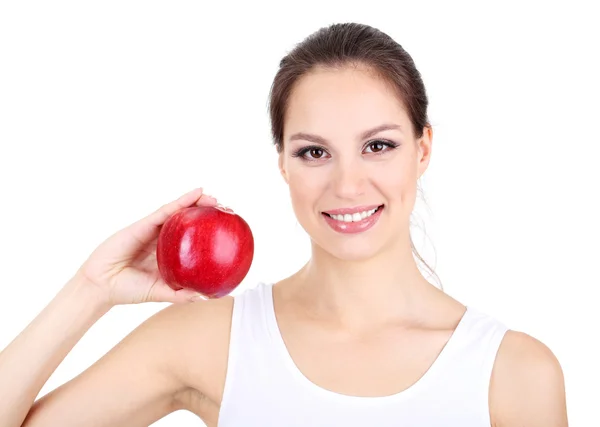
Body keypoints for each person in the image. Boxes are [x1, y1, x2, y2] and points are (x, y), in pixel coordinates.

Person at [0, 22, 568, 427]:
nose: (347, 185)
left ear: (422, 150)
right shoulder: (211, 341)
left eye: (378, 145)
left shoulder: (514, 373)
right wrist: (91, 290)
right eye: (314, 153)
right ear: (283, 164)